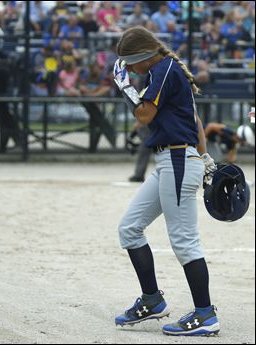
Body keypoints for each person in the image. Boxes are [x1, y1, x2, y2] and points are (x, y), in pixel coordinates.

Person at [113, 26, 220, 336]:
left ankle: (205, 314)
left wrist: (125, 87)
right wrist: (206, 157)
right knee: (130, 229)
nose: (129, 69)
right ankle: (152, 300)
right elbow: (194, 119)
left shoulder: (163, 69)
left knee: (185, 241)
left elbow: (144, 115)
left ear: (145, 55)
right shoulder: (163, 70)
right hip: (170, 161)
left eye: (131, 63)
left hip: (176, 160)